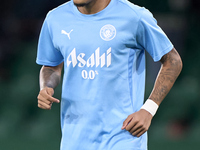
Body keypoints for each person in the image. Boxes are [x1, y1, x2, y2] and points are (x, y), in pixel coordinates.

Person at [36, 0, 182, 149]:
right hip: (74, 139)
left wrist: (149, 109)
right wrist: (46, 86)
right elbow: (51, 66)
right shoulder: (55, 19)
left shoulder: (134, 16)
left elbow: (173, 60)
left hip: (123, 136)